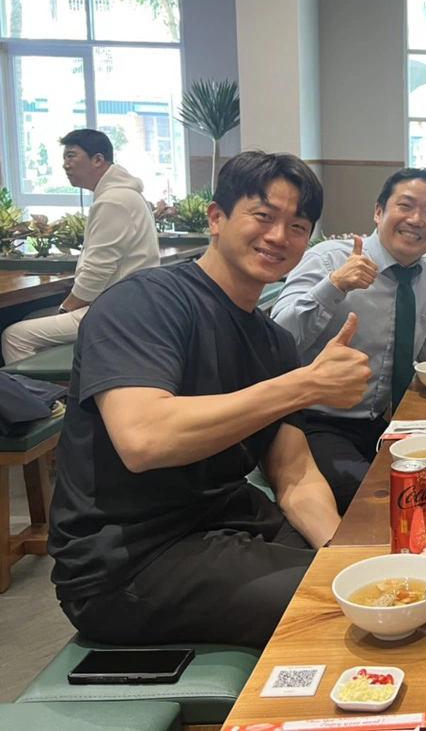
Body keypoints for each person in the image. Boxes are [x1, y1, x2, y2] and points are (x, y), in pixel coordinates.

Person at [47, 151, 370, 649]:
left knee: (373, 577)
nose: (279, 236)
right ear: (216, 218)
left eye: (298, 226)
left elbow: (294, 475)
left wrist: (338, 551)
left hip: (229, 521)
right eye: (263, 216)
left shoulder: (273, 342)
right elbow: (144, 438)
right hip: (131, 560)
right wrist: (306, 384)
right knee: (343, 610)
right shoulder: (145, 303)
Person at [272, 168, 426, 512]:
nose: (416, 219)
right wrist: (334, 286)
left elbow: (425, 356)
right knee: (382, 500)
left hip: (382, 421)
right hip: (311, 420)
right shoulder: (329, 259)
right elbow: (276, 341)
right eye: (406, 206)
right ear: (379, 211)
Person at [2, 129, 159, 364]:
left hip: (115, 311)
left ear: (98, 159)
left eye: (71, 156)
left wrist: (66, 308)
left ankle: (48, 400)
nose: (66, 165)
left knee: (14, 336)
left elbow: (96, 276)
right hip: (127, 304)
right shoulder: (123, 195)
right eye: (64, 157)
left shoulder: (113, 201)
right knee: (31, 317)